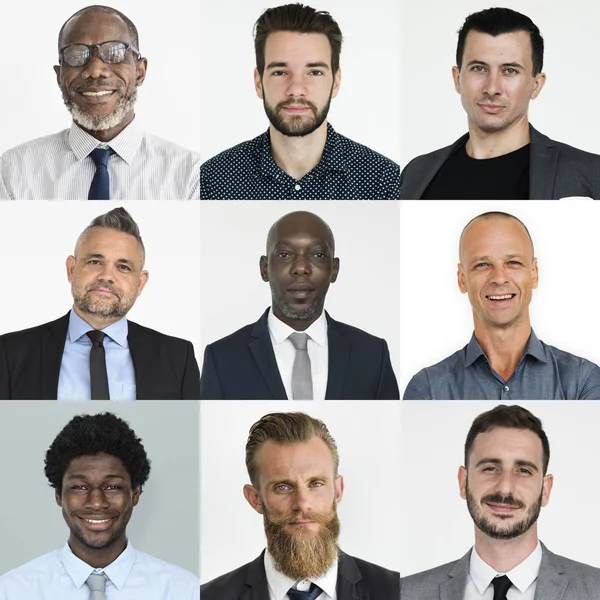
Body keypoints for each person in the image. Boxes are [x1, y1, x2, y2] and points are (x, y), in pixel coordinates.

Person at [200, 3, 399, 200]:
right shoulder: (212, 181)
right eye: (280, 72)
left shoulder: (385, 182)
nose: (296, 88)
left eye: (314, 72)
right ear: (258, 83)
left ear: (336, 82)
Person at [401, 404, 600, 599]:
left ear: (545, 490)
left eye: (523, 471)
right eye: (490, 468)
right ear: (463, 482)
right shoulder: (405, 592)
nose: (505, 488)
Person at [0, 5, 200, 199]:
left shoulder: (188, 173)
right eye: (76, 55)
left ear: (140, 71)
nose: (95, 70)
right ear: (59, 75)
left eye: (115, 53)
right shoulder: (15, 171)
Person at [400, 7, 600, 199]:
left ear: (536, 85)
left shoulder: (591, 174)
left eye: (510, 70)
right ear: (457, 78)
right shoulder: (415, 173)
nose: (492, 88)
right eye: (479, 68)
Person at [0, 207, 200, 399]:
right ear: (71, 269)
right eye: (95, 262)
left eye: (123, 267)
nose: (107, 276)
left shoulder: (178, 357)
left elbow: (186, 432)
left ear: (140, 283)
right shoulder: (10, 352)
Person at [199, 211, 399, 399]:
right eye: (284, 254)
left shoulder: (373, 355)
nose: (301, 268)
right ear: (264, 268)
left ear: (334, 269)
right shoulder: (222, 358)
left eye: (318, 255)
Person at [0, 412, 199, 599]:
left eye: (112, 486)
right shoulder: (13, 591)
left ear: (135, 493)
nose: (96, 502)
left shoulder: (182, 590)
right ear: (59, 494)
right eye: (80, 487)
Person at [202, 411, 399, 599]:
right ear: (255, 499)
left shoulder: (396, 591)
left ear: (337, 490)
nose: (303, 504)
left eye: (315, 484)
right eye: (282, 487)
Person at [403, 211, 600, 399]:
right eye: (482, 265)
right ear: (462, 279)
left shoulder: (583, 381)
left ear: (534, 273)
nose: (499, 278)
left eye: (513, 263)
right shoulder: (427, 390)